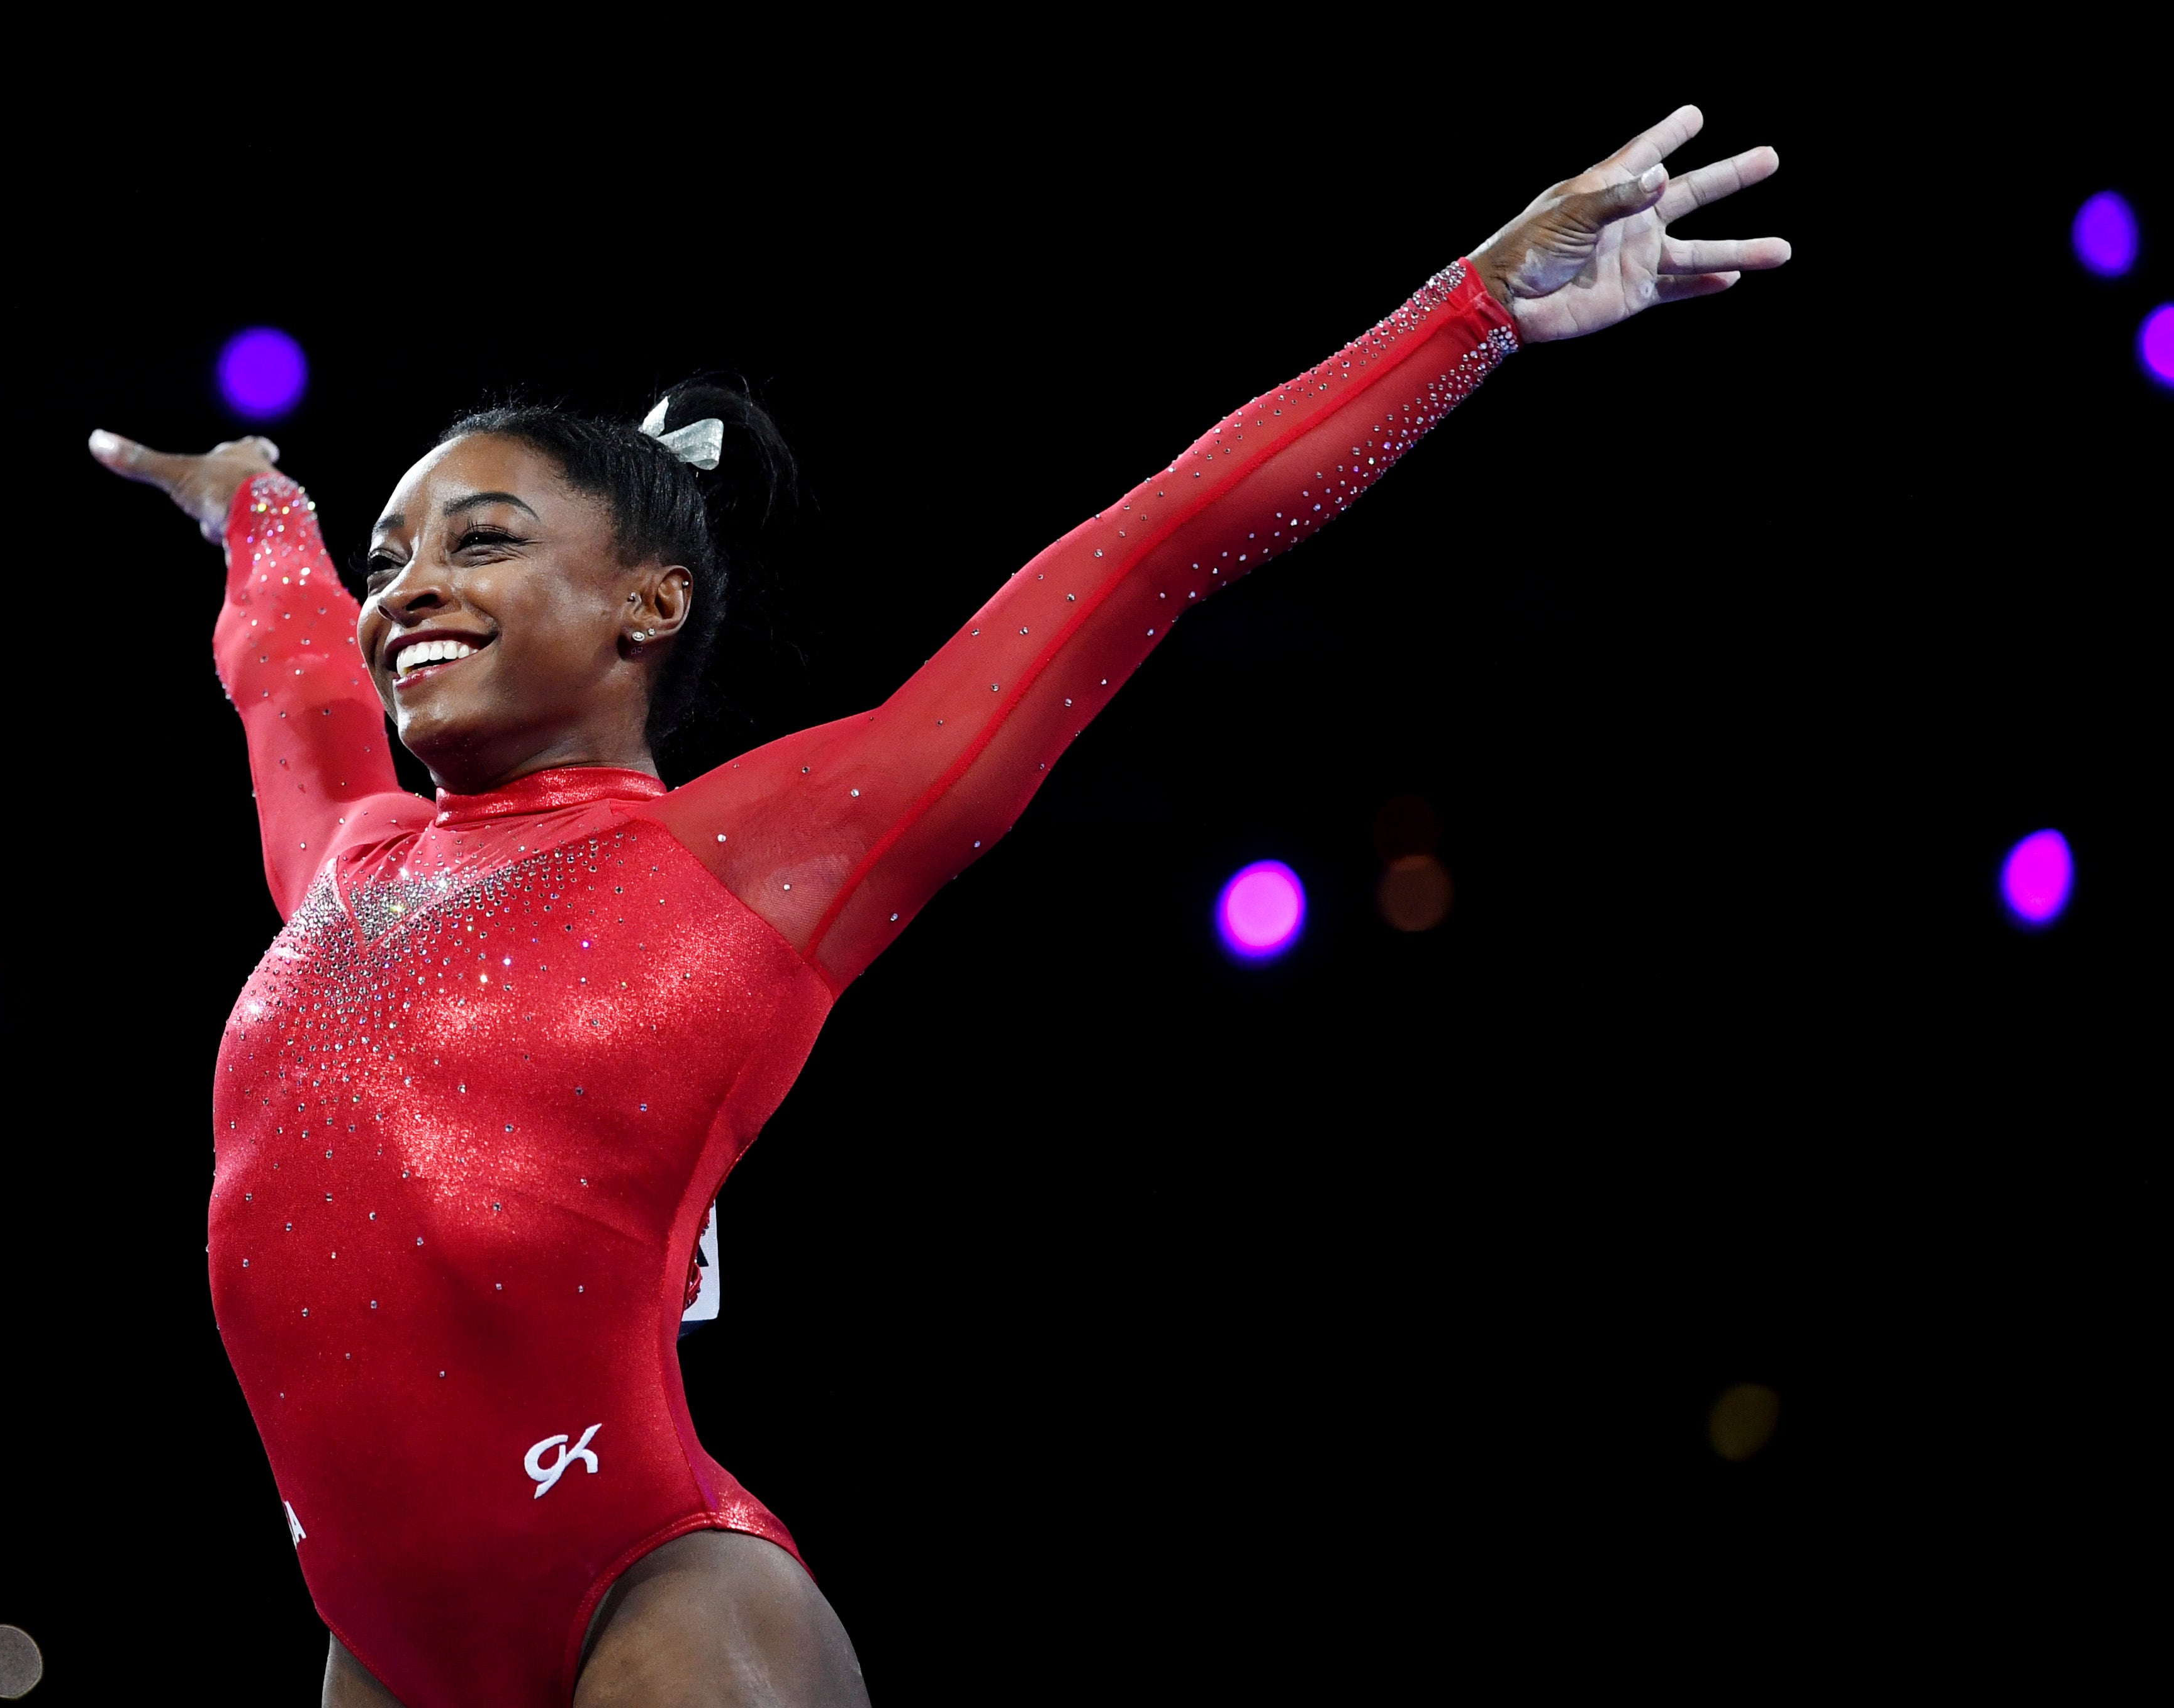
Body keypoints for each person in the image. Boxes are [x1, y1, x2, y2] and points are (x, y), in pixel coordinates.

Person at [89, 106, 1786, 1708]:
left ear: (646, 605)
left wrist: (1469, 310)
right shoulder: (344, 862)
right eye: (395, 559)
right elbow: (291, 678)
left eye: (479, 540)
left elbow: (1146, 551)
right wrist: (262, 512)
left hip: (648, 1597)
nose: (413, 595)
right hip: (378, 1643)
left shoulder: (755, 859)